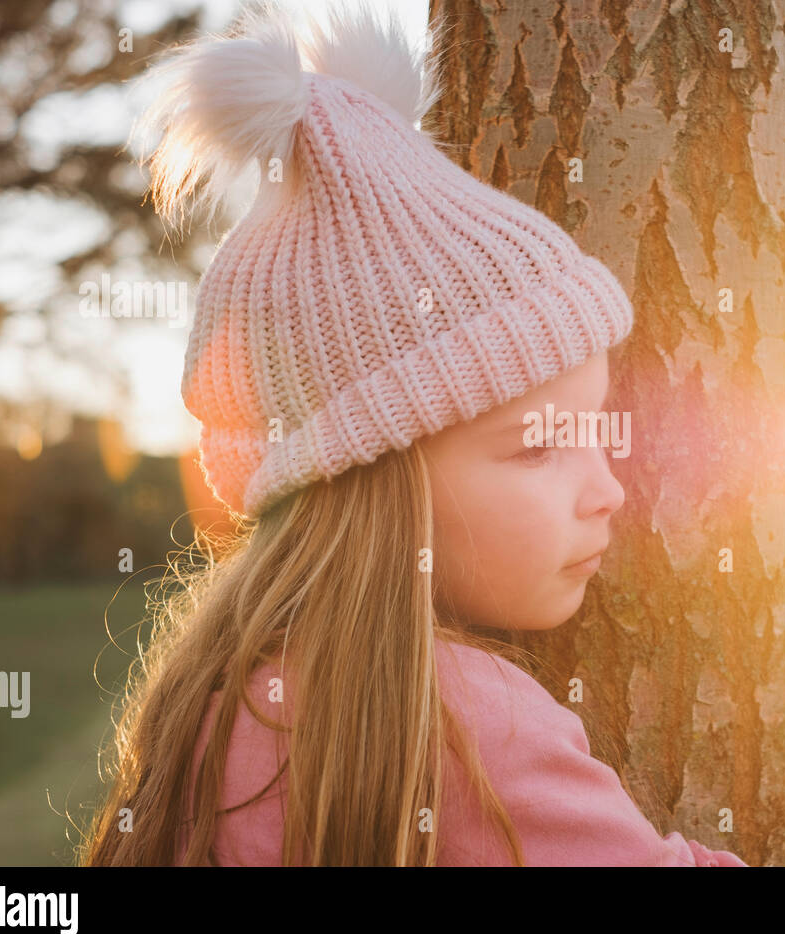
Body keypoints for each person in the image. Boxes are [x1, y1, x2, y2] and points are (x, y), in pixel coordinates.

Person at [77, 0, 745, 867]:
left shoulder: (210, 706)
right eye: (537, 446)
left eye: (597, 431)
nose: (609, 490)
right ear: (372, 478)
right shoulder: (475, 728)